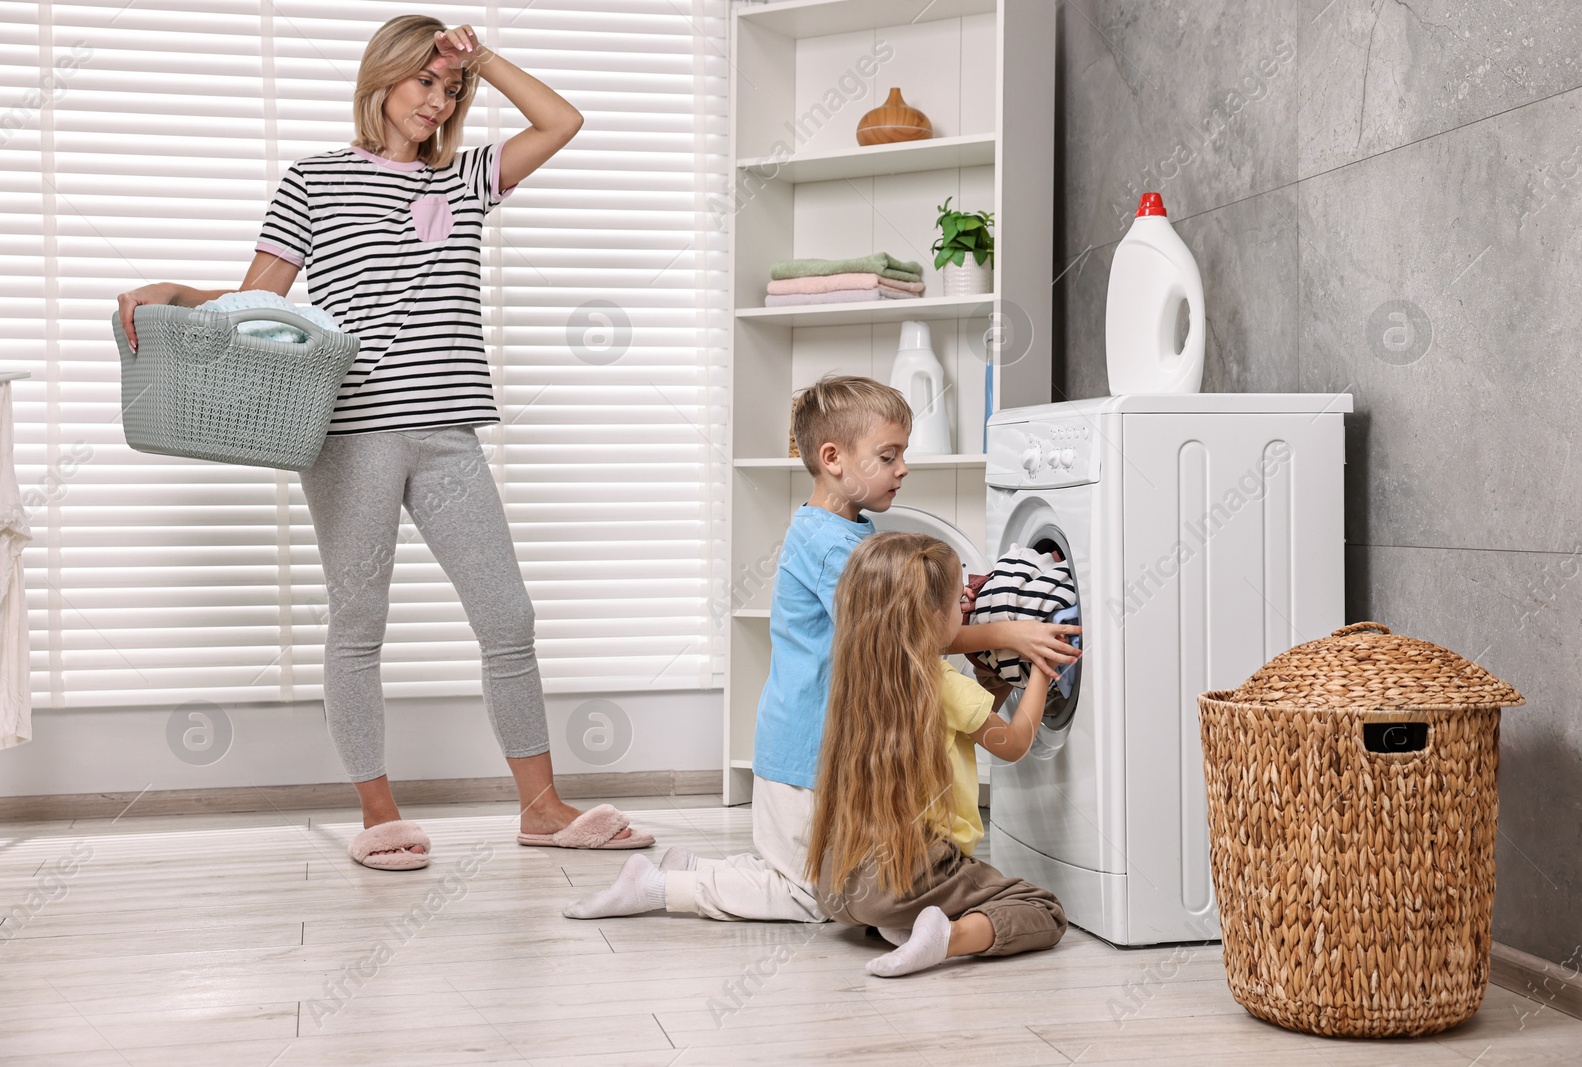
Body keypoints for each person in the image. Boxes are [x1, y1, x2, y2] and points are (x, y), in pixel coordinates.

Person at [116, 16, 651, 869]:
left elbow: (561, 123)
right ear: (383, 79)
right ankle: (378, 811)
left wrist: (483, 59)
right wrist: (182, 291)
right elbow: (263, 301)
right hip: (350, 434)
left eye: (451, 92)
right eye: (425, 84)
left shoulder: (468, 177)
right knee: (359, 621)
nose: (438, 104)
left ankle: (542, 806)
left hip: (447, 433)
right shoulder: (314, 181)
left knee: (507, 617)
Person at [563, 375, 1080, 919]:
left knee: (811, 872)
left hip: (820, 742)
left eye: (902, 453)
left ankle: (688, 869)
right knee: (811, 894)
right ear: (833, 458)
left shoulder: (851, 530)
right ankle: (663, 889)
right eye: (888, 455)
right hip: (808, 747)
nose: (903, 468)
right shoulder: (830, 546)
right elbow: (895, 634)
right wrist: (1006, 633)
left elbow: (903, 614)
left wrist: (945, 596)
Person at [807, 531, 1068, 977]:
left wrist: (997, 678)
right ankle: (946, 937)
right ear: (931, 617)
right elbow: (1015, 744)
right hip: (909, 873)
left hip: (838, 881)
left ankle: (900, 922)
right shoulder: (942, 682)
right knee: (1042, 909)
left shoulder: (859, 678)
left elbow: (965, 722)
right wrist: (1043, 665)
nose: (964, 612)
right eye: (956, 605)